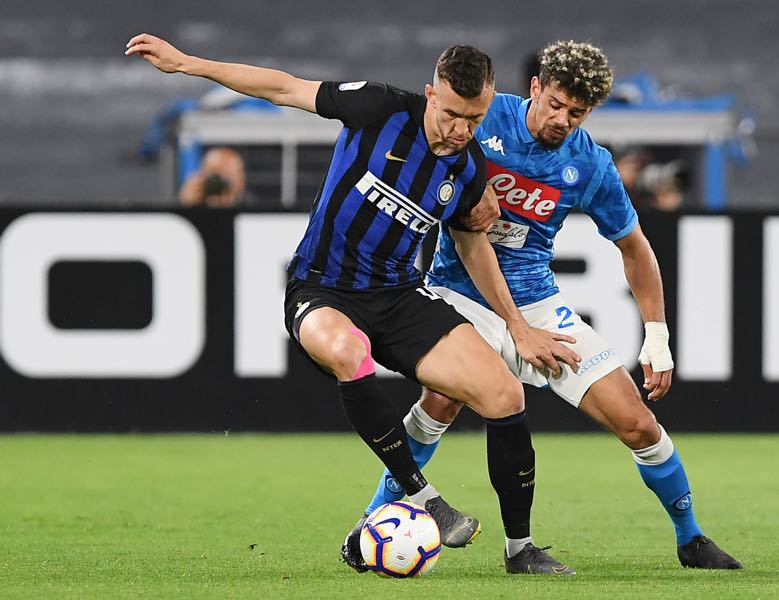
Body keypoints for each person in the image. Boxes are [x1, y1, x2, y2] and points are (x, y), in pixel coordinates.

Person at [125, 33, 581, 574]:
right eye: (453, 115)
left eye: (475, 120)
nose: (461, 131)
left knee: (505, 394)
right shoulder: (379, 107)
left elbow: (470, 241)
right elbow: (283, 87)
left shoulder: (468, 166)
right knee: (346, 350)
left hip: (398, 295)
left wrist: (516, 327)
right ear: (430, 93)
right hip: (322, 290)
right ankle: (419, 494)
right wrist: (189, 64)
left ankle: (520, 550)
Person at [346, 40, 742, 573]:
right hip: (456, 289)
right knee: (441, 401)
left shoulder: (591, 165)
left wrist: (657, 336)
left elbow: (635, 248)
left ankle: (691, 537)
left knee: (638, 423)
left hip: (537, 300)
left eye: (576, 113)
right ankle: (371, 521)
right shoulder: (487, 118)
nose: (562, 119)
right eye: (554, 104)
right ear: (535, 87)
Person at [179, 146, 247, 207]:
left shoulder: (251, 206)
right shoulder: (195, 198)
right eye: (212, 175)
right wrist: (186, 205)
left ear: (240, 179)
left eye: (224, 175)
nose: (216, 182)